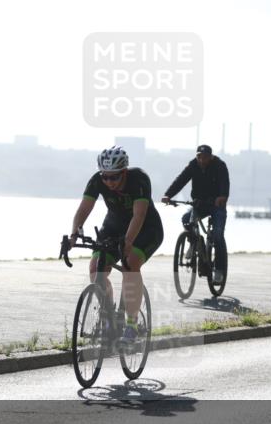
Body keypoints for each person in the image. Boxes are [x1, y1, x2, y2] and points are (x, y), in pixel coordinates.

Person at [69, 146, 163, 342]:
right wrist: (74, 233)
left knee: (131, 263)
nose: (108, 182)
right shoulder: (97, 181)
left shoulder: (139, 179)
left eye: (114, 177)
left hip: (146, 228)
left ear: (124, 172)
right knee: (96, 268)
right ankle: (108, 318)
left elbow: (139, 215)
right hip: (114, 225)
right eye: (105, 177)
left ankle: (132, 325)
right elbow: (84, 208)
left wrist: (128, 242)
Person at [161, 144, 230, 284]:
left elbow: (225, 183)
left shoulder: (220, 165)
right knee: (186, 219)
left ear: (211, 157)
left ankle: (219, 271)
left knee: (217, 235)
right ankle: (194, 243)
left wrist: (223, 196)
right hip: (200, 204)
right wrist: (168, 194)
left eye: (205, 157)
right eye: (199, 157)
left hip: (217, 205)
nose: (201, 160)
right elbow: (181, 180)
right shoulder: (193, 165)